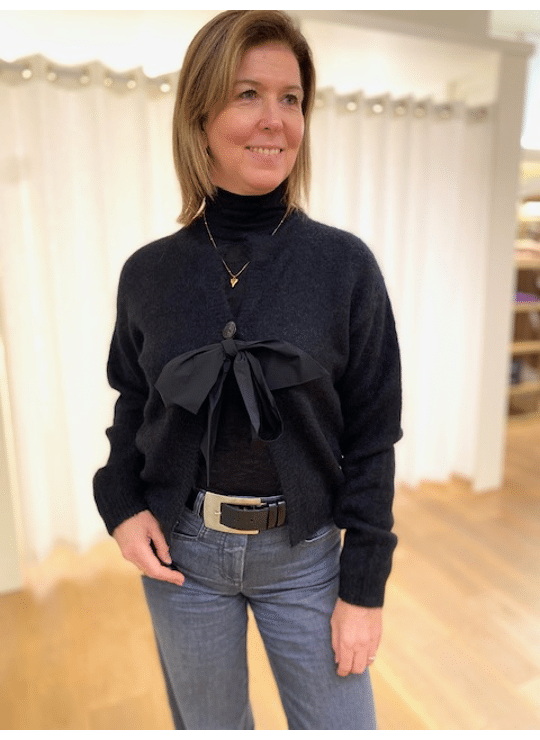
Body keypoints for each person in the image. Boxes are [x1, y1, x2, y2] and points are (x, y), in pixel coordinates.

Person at [93, 9, 402, 731]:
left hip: (308, 556)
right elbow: (133, 403)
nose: (275, 120)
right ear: (199, 117)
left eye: (291, 98)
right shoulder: (148, 273)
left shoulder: (345, 266)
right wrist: (122, 504)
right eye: (247, 95)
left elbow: (373, 434)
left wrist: (364, 588)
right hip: (183, 556)